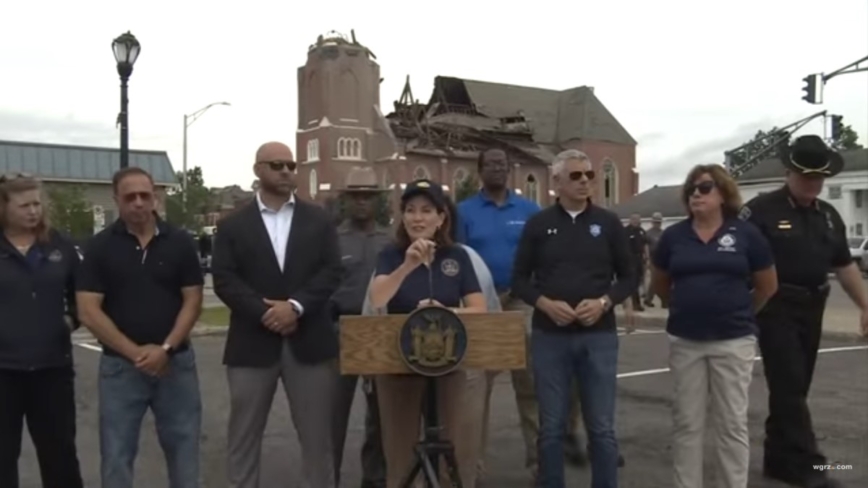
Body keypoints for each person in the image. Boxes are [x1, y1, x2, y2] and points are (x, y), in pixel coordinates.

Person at [212, 142, 342, 488]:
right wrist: (264, 312)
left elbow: (331, 271)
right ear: (258, 170)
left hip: (309, 342)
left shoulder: (319, 220)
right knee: (243, 438)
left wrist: (296, 307)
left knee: (318, 441)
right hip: (252, 344)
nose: (286, 171)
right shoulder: (232, 225)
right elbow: (224, 278)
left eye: (290, 165)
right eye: (276, 165)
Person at [740, 135, 868, 488]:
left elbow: (844, 265)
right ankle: (812, 468)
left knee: (795, 388)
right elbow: (738, 261)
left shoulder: (827, 216)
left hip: (814, 306)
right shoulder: (761, 210)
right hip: (776, 306)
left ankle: (779, 461)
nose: (813, 184)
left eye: (819, 178)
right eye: (806, 177)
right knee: (790, 384)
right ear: (788, 172)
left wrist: (865, 306)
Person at [456, 148, 587, 483]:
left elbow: (546, 256)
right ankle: (472, 466)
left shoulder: (529, 211)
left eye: (503, 164)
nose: (498, 169)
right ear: (480, 170)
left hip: (522, 303)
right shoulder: (463, 212)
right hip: (480, 305)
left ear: (509, 170)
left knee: (531, 387)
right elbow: (456, 259)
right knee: (475, 391)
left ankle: (540, 464)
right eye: (491, 164)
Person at [512, 149, 636, 488]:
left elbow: (629, 277)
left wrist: (605, 302)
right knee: (551, 427)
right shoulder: (539, 225)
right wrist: (544, 303)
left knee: (601, 428)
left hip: (598, 337)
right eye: (576, 176)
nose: (585, 181)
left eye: (589, 175)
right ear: (556, 182)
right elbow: (519, 279)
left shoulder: (609, 224)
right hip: (549, 337)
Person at [76, 167, 205, 488]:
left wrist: (165, 349)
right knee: (117, 456)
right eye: (129, 197)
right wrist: (137, 354)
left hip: (176, 366)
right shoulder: (99, 247)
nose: (138, 203)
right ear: (116, 200)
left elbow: (193, 301)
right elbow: (88, 311)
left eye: (144, 196)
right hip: (120, 369)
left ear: (156, 198)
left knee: (185, 454)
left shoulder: (180, 242)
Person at [651, 164, 778, 488]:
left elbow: (767, 286)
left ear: (723, 194)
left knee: (731, 424)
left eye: (705, 187)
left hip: (733, 342)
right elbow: (661, 282)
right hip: (686, 342)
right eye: (691, 188)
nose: (696, 193)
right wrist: (682, 306)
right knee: (687, 423)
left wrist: (740, 313)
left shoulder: (746, 234)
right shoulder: (674, 236)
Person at [368, 179, 487, 488]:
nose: (417, 218)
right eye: (410, 210)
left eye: (425, 210)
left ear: (441, 217)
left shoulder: (457, 256)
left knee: (454, 451)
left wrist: (446, 312)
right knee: (400, 454)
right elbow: (378, 298)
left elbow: (478, 308)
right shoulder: (391, 255)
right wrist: (408, 265)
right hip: (398, 363)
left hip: (449, 361)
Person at [0, 174, 84, 488]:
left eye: (37, 203)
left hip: (52, 370)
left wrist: (70, 320)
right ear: (5, 207)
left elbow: (84, 294)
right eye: (24, 205)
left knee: (60, 455)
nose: (33, 211)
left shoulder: (59, 245)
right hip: (3, 372)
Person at [329, 167, 390, 488]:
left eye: (369, 196)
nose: (363, 201)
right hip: (342, 331)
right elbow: (322, 288)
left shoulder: (391, 239)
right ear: (347, 200)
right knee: (333, 416)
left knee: (381, 417)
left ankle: (375, 478)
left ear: (377, 200)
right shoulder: (332, 240)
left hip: (380, 333)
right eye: (357, 196)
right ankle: (329, 479)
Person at [642, 212, 667, 308]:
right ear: (652, 222)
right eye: (656, 222)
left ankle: (664, 301)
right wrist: (647, 258)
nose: (657, 224)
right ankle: (648, 299)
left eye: (659, 222)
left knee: (663, 280)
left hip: (663, 259)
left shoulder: (663, 233)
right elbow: (645, 246)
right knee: (654, 280)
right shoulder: (648, 233)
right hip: (652, 259)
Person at [624, 213, 648, 312]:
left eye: (637, 219)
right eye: (634, 219)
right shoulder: (626, 231)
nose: (636, 221)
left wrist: (647, 256)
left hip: (639, 259)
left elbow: (645, 244)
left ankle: (629, 301)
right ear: (630, 220)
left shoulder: (641, 231)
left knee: (639, 281)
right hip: (630, 259)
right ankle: (635, 304)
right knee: (632, 282)